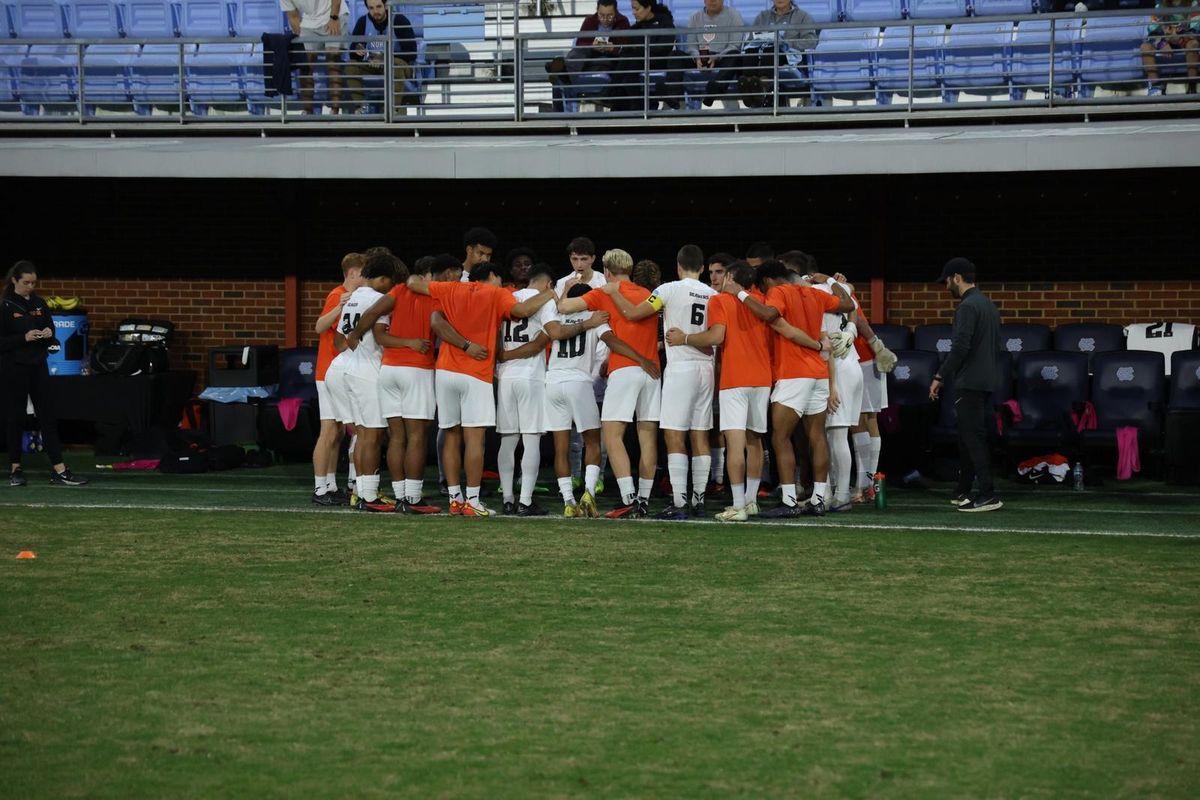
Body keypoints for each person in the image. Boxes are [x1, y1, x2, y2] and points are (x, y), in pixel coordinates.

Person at [670, 261, 821, 522]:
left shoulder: (721, 301)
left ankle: (738, 504)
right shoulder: (762, 302)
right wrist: (818, 345)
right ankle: (751, 502)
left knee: (735, 443)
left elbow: (716, 337)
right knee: (755, 442)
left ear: (730, 277)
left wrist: (684, 338)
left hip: (735, 380)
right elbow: (784, 328)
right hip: (762, 380)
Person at [407, 262, 556, 516]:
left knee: (450, 434)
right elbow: (521, 310)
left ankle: (455, 498)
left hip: (445, 371)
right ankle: (473, 501)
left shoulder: (450, 289)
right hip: (476, 372)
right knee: (474, 438)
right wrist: (549, 293)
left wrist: (463, 344)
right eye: (498, 277)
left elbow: (413, 285)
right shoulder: (495, 293)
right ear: (492, 276)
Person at [603, 244, 716, 519]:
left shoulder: (666, 290)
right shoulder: (714, 294)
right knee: (700, 434)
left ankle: (679, 503)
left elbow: (633, 314)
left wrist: (615, 295)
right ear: (702, 268)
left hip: (681, 368)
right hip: (707, 368)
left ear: (678, 267)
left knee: (674, 434)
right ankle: (699, 501)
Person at [740, 260, 851, 516]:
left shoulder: (778, 292)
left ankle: (789, 501)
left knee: (780, 437)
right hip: (818, 373)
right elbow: (847, 304)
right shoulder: (814, 293)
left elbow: (769, 315)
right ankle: (819, 500)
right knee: (817, 436)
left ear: (767, 281)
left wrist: (741, 294)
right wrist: (831, 282)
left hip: (793, 374)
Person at [557, 248, 662, 518]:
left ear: (606, 271)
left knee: (612, 436)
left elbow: (564, 308)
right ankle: (644, 500)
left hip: (625, 370)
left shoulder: (603, 293)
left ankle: (629, 498)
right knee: (647, 436)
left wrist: (567, 288)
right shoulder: (651, 295)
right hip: (652, 372)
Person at [544, 281, 643, 518]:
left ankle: (568, 501)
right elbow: (612, 341)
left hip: (552, 382)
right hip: (578, 382)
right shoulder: (595, 317)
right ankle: (588, 493)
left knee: (561, 446)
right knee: (593, 441)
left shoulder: (556, 315)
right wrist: (640, 357)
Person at [1, 261, 87, 487]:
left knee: (47, 416)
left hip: (38, 365)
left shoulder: (40, 303)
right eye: (26, 282)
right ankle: (15, 469)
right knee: (16, 418)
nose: (30, 286)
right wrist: (24, 338)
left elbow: (51, 333)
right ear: (14, 281)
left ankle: (59, 469)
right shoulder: (6, 306)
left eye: (33, 283)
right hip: (14, 368)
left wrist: (49, 333)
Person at [929, 257, 1003, 513]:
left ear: (957, 278)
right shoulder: (988, 305)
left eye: (947, 280)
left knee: (972, 438)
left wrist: (939, 376)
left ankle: (987, 493)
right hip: (986, 379)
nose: (946, 285)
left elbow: (960, 347)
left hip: (970, 380)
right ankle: (962, 490)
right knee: (967, 436)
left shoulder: (967, 307)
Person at [495, 265, 559, 516]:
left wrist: (502, 357)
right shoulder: (546, 301)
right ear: (548, 284)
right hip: (531, 376)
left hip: (506, 376)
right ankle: (525, 501)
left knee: (508, 440)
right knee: (531, 439)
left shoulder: (507, 298)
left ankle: (508, 498)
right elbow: (540, 342)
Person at [340, 253, 400, 511]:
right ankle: (368, 496)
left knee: (364, 434)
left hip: (351, 367)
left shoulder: (355, 296)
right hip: (368, 370)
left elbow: (343, 336)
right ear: (384, 278)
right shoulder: (379, 300)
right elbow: (379, 335)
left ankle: (363, 493)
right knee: (372, 436)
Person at [311, 252, 364, 506]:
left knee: (339, 432)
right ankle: (320, 488)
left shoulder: (353, 297)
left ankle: (330, 484)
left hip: (338, 371)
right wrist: (339, 307)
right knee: (329, 431)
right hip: (327, 372)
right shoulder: (338, 294)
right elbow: (320, 326)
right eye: (364, 274)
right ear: (353, 273)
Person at [547, 0, 632, 110]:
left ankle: (563, 71)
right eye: (601, 15)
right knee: (579, 51)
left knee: (597, 60)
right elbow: (580, 42)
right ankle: (562, 68)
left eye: (609, 16)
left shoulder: (622, 22)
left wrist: (612, 48)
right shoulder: (589, 21)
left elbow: (627, 47)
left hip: (609, 59)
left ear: (615, 12)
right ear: (597, 11)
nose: (605, 19)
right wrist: (592, 45)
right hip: (588, 59)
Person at [610, 0, 688, 111]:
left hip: (660, 62)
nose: (633, 12)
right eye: (632, 8)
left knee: (631, 60)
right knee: (629, 61)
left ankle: (612, 91)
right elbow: (628, 50)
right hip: (640, 63)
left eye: (636, 9)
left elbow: (663, 48)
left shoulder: (664, 22)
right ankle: (633, 103)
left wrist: (639, 49)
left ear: (648, 8)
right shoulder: (635, 29)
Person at [345, 0, 420, 113]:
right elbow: (353, 52)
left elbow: (411, 52)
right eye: (371, 8)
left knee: (396, 65)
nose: (375, 11)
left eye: (378, 7)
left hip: (396, 65)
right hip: (372, 65)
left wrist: (385, 58)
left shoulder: (399, 20)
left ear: (385, 5)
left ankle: (392, 109)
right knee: (351, 66)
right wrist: (357, 49)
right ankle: (360, 108)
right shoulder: (363, 22)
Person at [281, 0, 349, 114]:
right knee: (305, 64)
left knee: (333, 61)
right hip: (309, 20)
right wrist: (301, 39)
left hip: (334, 13)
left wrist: (334, 18)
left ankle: (335, 111)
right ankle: (308, 110)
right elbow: (293, 17)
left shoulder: (335, 16)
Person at [684, 0, 746, 106]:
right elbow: (691, 46)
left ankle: (715, 89)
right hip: (700, 57)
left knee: (735, 55)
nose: (712, 1)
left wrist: (717, 56)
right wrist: (697, 57)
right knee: (675, 55)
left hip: (723, 57)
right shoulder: (694, 17)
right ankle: (671, 93)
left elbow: (735, 45)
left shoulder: (734, 15)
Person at [1141, 0, 1199, 96]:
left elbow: (1195, 30)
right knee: (1145, 47)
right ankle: (1155, 87)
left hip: (1185, 39)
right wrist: (1161, 44)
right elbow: (1152, 32)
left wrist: (1179, 38)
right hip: (1165, 40)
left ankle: (1192, 85)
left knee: (1193, 44)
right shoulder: (1160, 6)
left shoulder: (1193, 4)